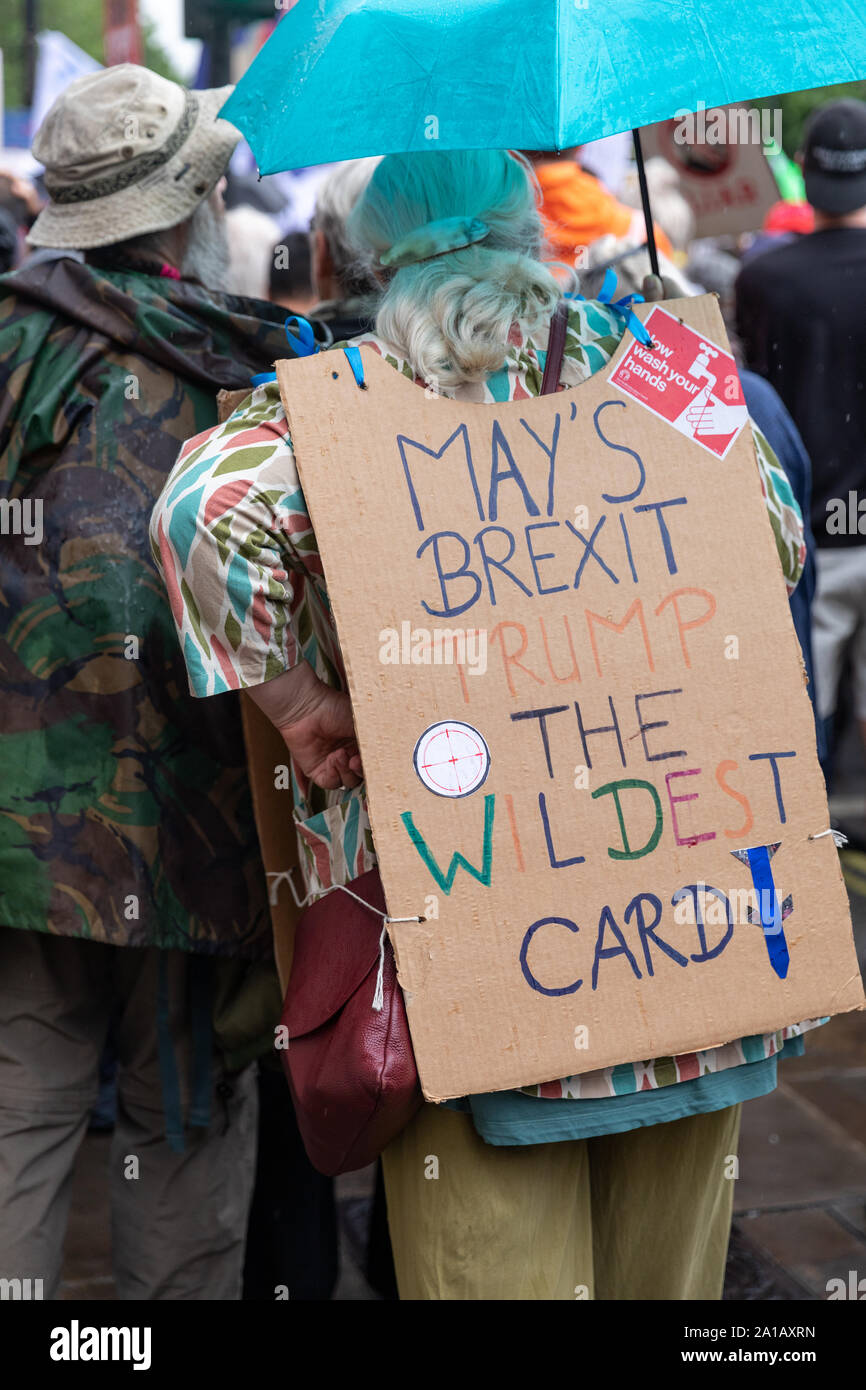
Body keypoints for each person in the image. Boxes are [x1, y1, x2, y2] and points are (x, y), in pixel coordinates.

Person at [151, 148, 815, 1302]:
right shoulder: (657, 366)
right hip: (692, 939)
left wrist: (303, 708)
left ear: (368, 258)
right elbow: (775, 541)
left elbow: (195, 512)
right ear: (533, 236)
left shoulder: (345, 400)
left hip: (480, 963)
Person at [0, 63, 294, 1301]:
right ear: (192, 210)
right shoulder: (257, 372)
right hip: (197, 826)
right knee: (176, 1123)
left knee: (20, 1095)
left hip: (19, 822)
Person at [735, 98, 866, 769]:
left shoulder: (763, 277)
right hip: (826, 531)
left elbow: (759, 407)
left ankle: (816, 864)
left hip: (805, 536)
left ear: (807, 173)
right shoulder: (763, 276)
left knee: (798, 722)